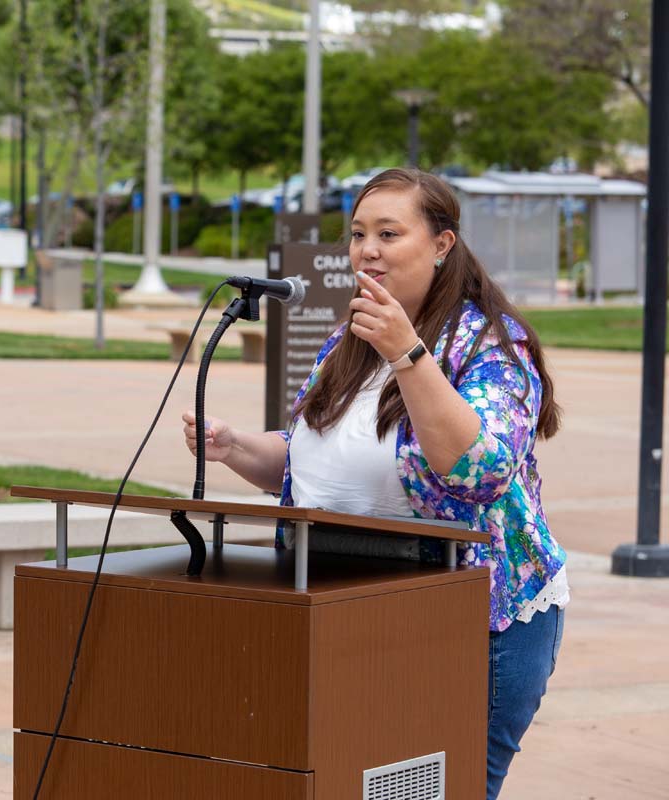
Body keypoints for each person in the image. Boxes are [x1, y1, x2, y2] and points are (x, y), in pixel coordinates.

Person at [183, 168, 567, 800]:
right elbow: (316, 466)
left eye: (389, 233)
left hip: (476, 627)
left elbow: (479, 472)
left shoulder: (492, 344)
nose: (368, 249)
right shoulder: (348, 340)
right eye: (359, 233)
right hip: (357, 617)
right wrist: (235, 448)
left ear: (442, 244)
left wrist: (408, 356)